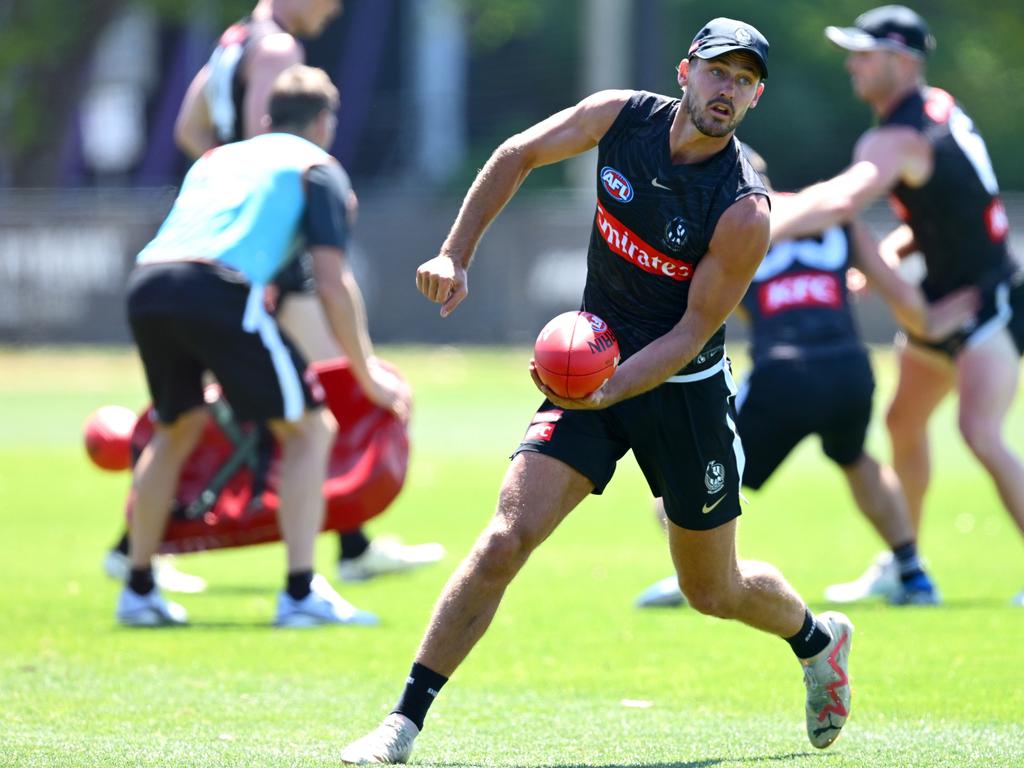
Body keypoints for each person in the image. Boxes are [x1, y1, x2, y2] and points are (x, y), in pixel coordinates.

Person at [341, 19, 854, 762]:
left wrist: (607, 391)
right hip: (592, 369)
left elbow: (689, 333)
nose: (727, 89)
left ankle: (817, 640)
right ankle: (402, 723)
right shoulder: (622, 117)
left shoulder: (745, 207)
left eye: (744, 81)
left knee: (713, 590)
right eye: (718, 71)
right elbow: (517, 154)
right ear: (686, 71)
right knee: (503, 540)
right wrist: (454, 255)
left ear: (756, 97)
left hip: (684, 391)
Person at [104, 0, 444, 590]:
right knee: (323, 402)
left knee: (207, 416)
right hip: (251, 259)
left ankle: (139, 559)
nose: (335, 10)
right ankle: (312, 575)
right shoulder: (283, 57)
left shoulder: (233, 40)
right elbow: (283, 150)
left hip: (173, 259)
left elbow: (192, 131)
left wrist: (231, 175)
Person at [634, 145, 977, 610]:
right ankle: (915, 575)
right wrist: (930, 323)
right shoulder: (832, 214)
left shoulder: (726, 231)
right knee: (857, 459)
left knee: (684, 479)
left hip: (783, 376)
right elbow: (887, 278)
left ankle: (701, 575)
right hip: (849, 370)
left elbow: (710, 314)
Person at [767, 5, 1024, 606]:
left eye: (864, 53)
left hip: (985, 301)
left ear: (902, 62)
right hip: (946, 293)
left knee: (979, 432)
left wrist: (762, 227)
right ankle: (906, 563)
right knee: (903, 423)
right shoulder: (937, 110)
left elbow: (843, 200)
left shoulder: (897, 136)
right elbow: (940, 209)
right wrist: (891, 250)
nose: (852, 64)